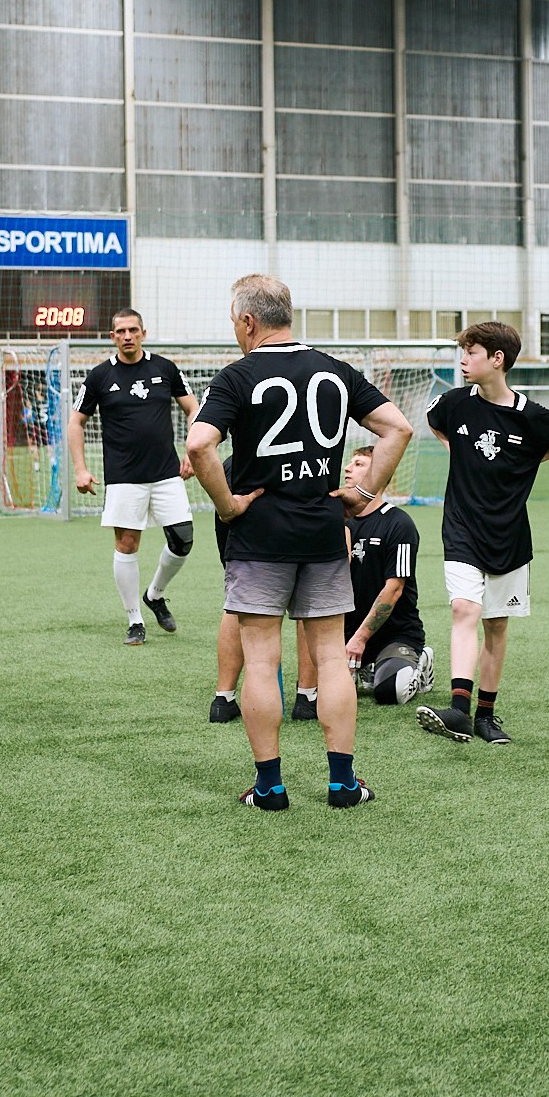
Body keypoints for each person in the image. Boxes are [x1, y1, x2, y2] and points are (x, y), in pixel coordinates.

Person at [187, 274, 412, 810]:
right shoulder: (335, 371)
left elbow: (199, 445)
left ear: (248, 321)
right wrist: (363, 492)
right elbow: (399, 428)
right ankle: (342, 785)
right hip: (322, 532)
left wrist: (228, 505)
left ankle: (270, 788)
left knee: (262, 663)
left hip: (258, 537)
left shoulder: (237, 376)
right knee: (332, 659)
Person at [414, 321, 549, 746]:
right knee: (463, 610)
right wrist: (454, 448)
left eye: (471, 353)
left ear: (497, 360)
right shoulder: (454, 404)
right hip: (460, 529)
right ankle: (458, 707)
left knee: (495, 624)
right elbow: (433, 419)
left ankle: (485, 716)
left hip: (509, 536)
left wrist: (528, 460)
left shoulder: (530, 416)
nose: (463, 360)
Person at [69, 309, 200, 646]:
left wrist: (192, 450)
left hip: (167, 473)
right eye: (120, 331)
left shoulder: (165, 369)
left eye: (133, 330)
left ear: (143, 332)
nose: (127, 336)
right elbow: (75, 423)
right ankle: (135, 621)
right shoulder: (99, 376)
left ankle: (155, 595)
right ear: (112, 336)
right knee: (128, 544)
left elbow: (194, 409)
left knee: (183, 540)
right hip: (124, 477)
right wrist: (81, 469)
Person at [342, 444, 432, 703]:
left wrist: (360, 640)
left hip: (394, 634)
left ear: (378, 474)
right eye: (350, 463)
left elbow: (394, 590)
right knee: (324, 689)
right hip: (346, 633)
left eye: (359, 464)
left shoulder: (398, 523)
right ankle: (370, 666)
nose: (348, 468)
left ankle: (420, 660)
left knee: (391, 691)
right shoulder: (339, 521)